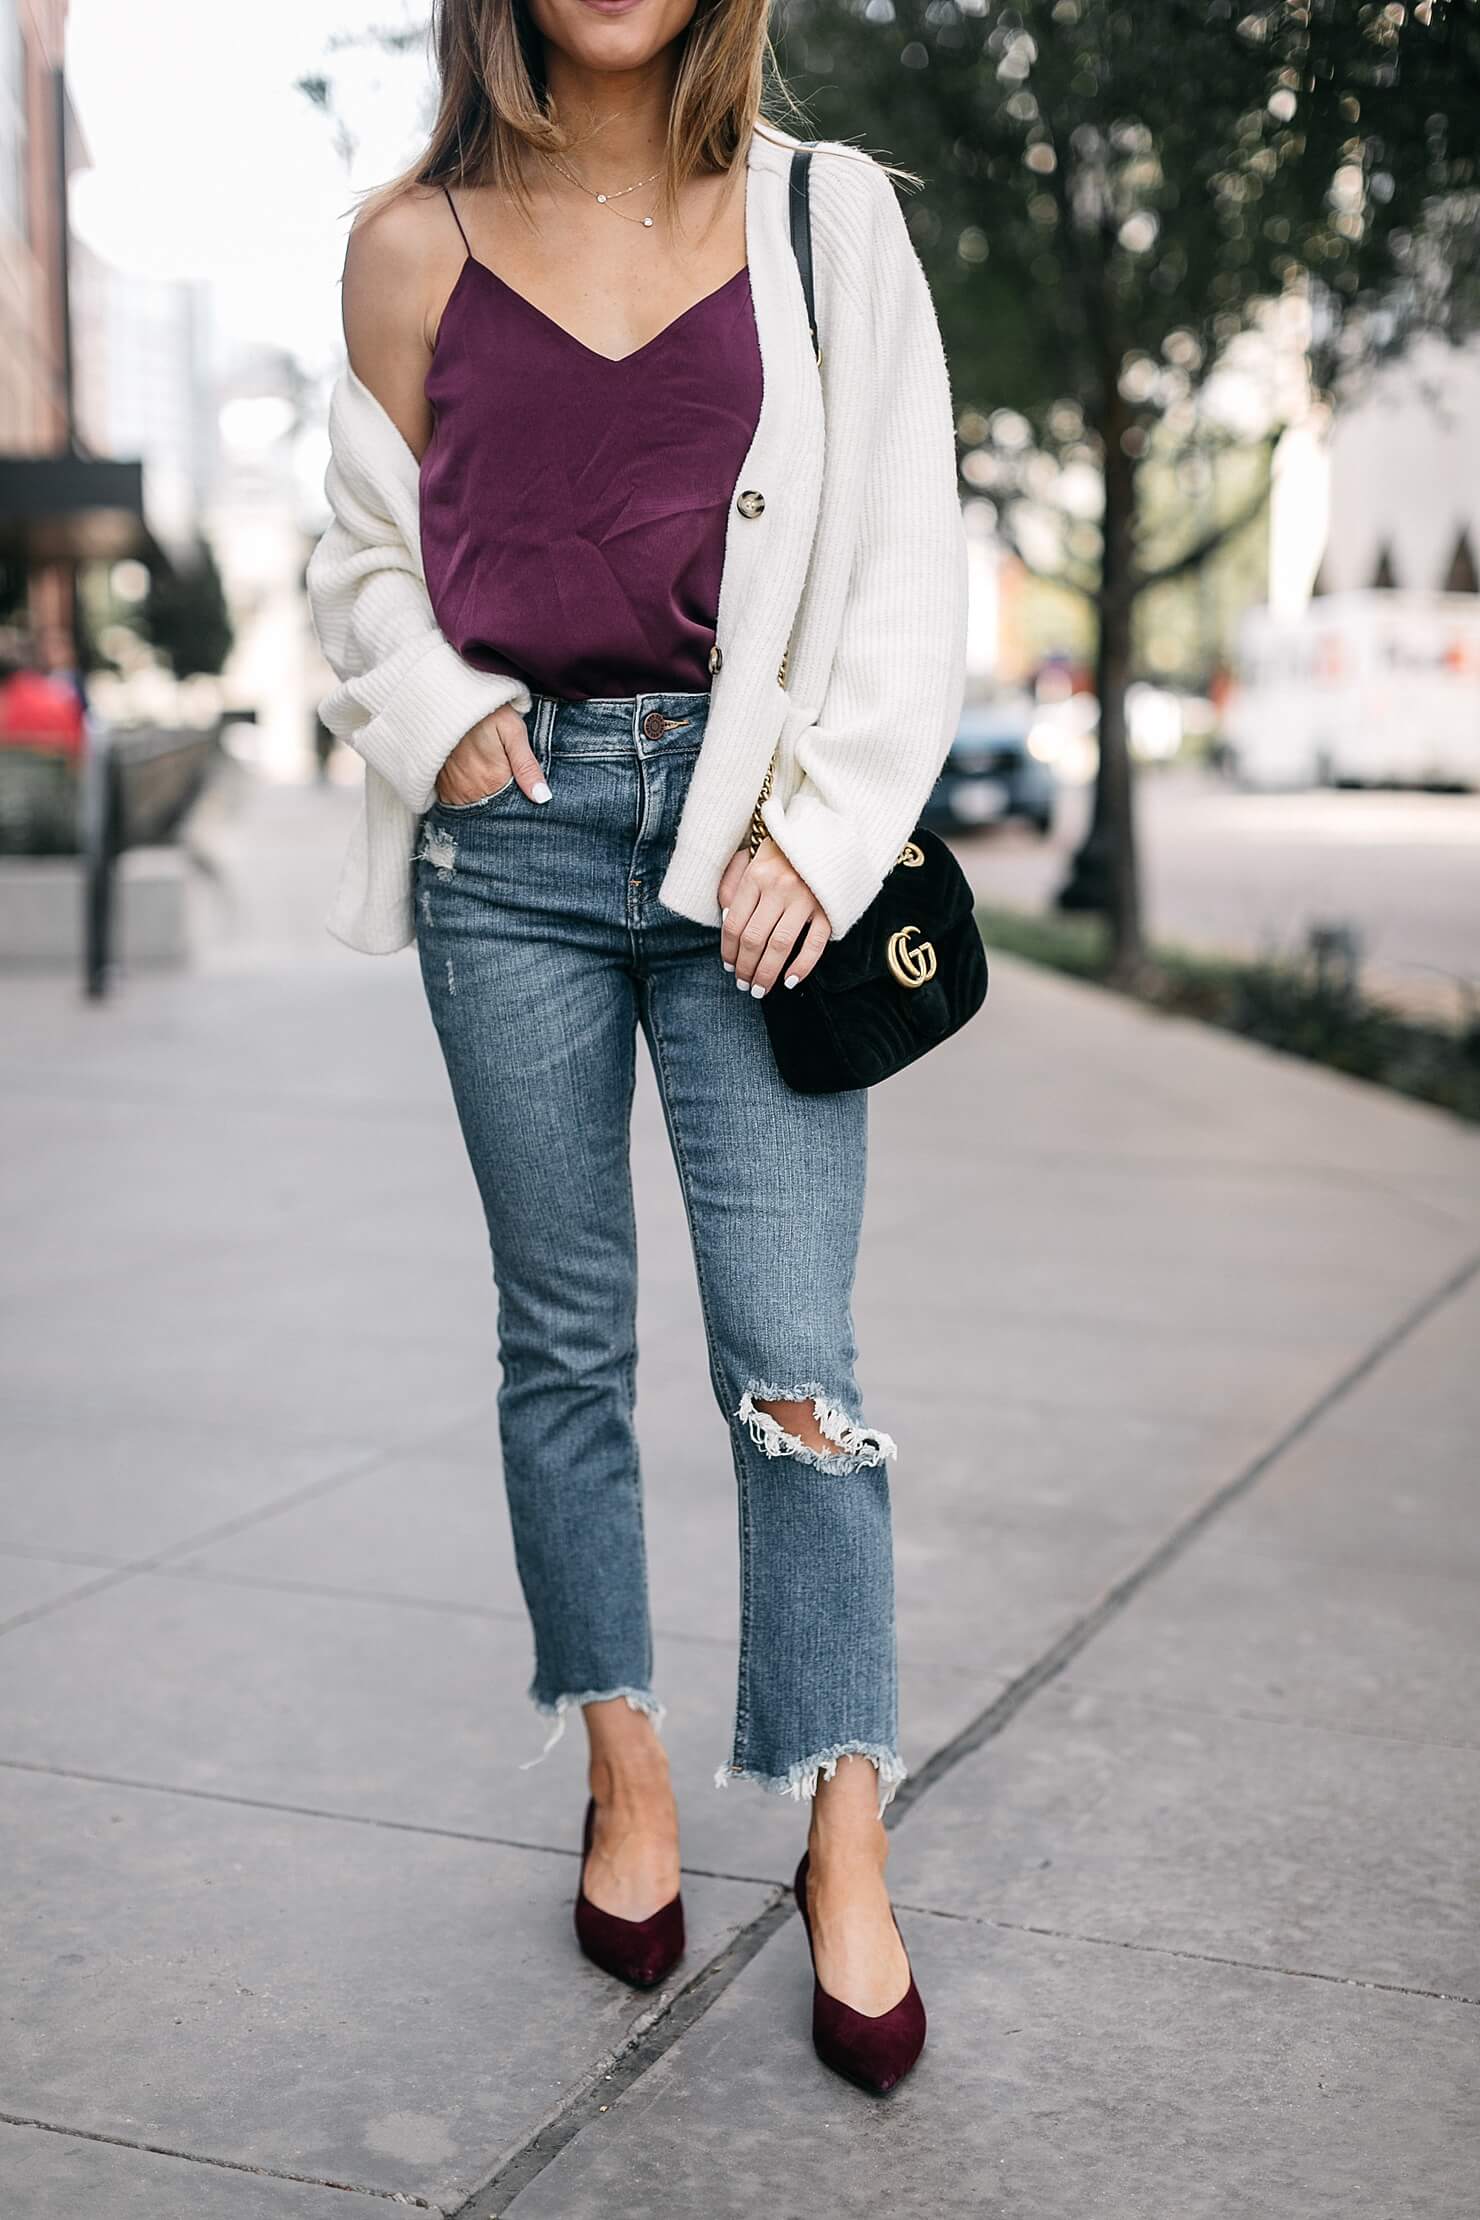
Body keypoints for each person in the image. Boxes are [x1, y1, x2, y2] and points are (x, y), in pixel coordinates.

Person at [306, 0, 966, 2095]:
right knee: (558, 1337)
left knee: (795, 1360)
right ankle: (624, 1768)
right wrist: (434, 715)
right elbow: (349, 566)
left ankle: (840, 1833)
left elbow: (899, 567)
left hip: (747, 848)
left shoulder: (823, 216)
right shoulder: (406, 243)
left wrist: (819, 829)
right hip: (501, 855)